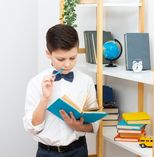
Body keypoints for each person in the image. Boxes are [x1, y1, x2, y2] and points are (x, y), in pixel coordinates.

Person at [23, 24, 99, 157]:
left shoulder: (86, 81)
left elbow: (94, 125)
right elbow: (33, 127)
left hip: (78, 150)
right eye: (61, 59)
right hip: (47, 152)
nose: (67, 64)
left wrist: (78, 126)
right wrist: (45, 99)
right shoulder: (35, 83)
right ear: (48, 53)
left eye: (73, 58)